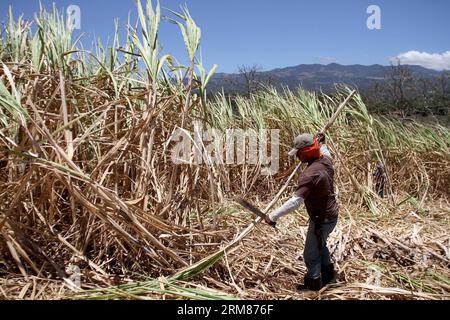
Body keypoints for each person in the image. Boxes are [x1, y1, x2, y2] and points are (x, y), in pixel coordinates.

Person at [264, 132, 338, 291]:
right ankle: (329, 276)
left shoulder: (310, 175)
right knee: (321, 245)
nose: (296, 156)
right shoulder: (325, 160)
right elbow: (325, 150)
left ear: (306, 152)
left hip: (321, 219)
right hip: (331, 216)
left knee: (310, 254)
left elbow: (295, 202)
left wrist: (273, 216)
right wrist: (322, 142)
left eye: (298, 153)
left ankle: (313, 284)